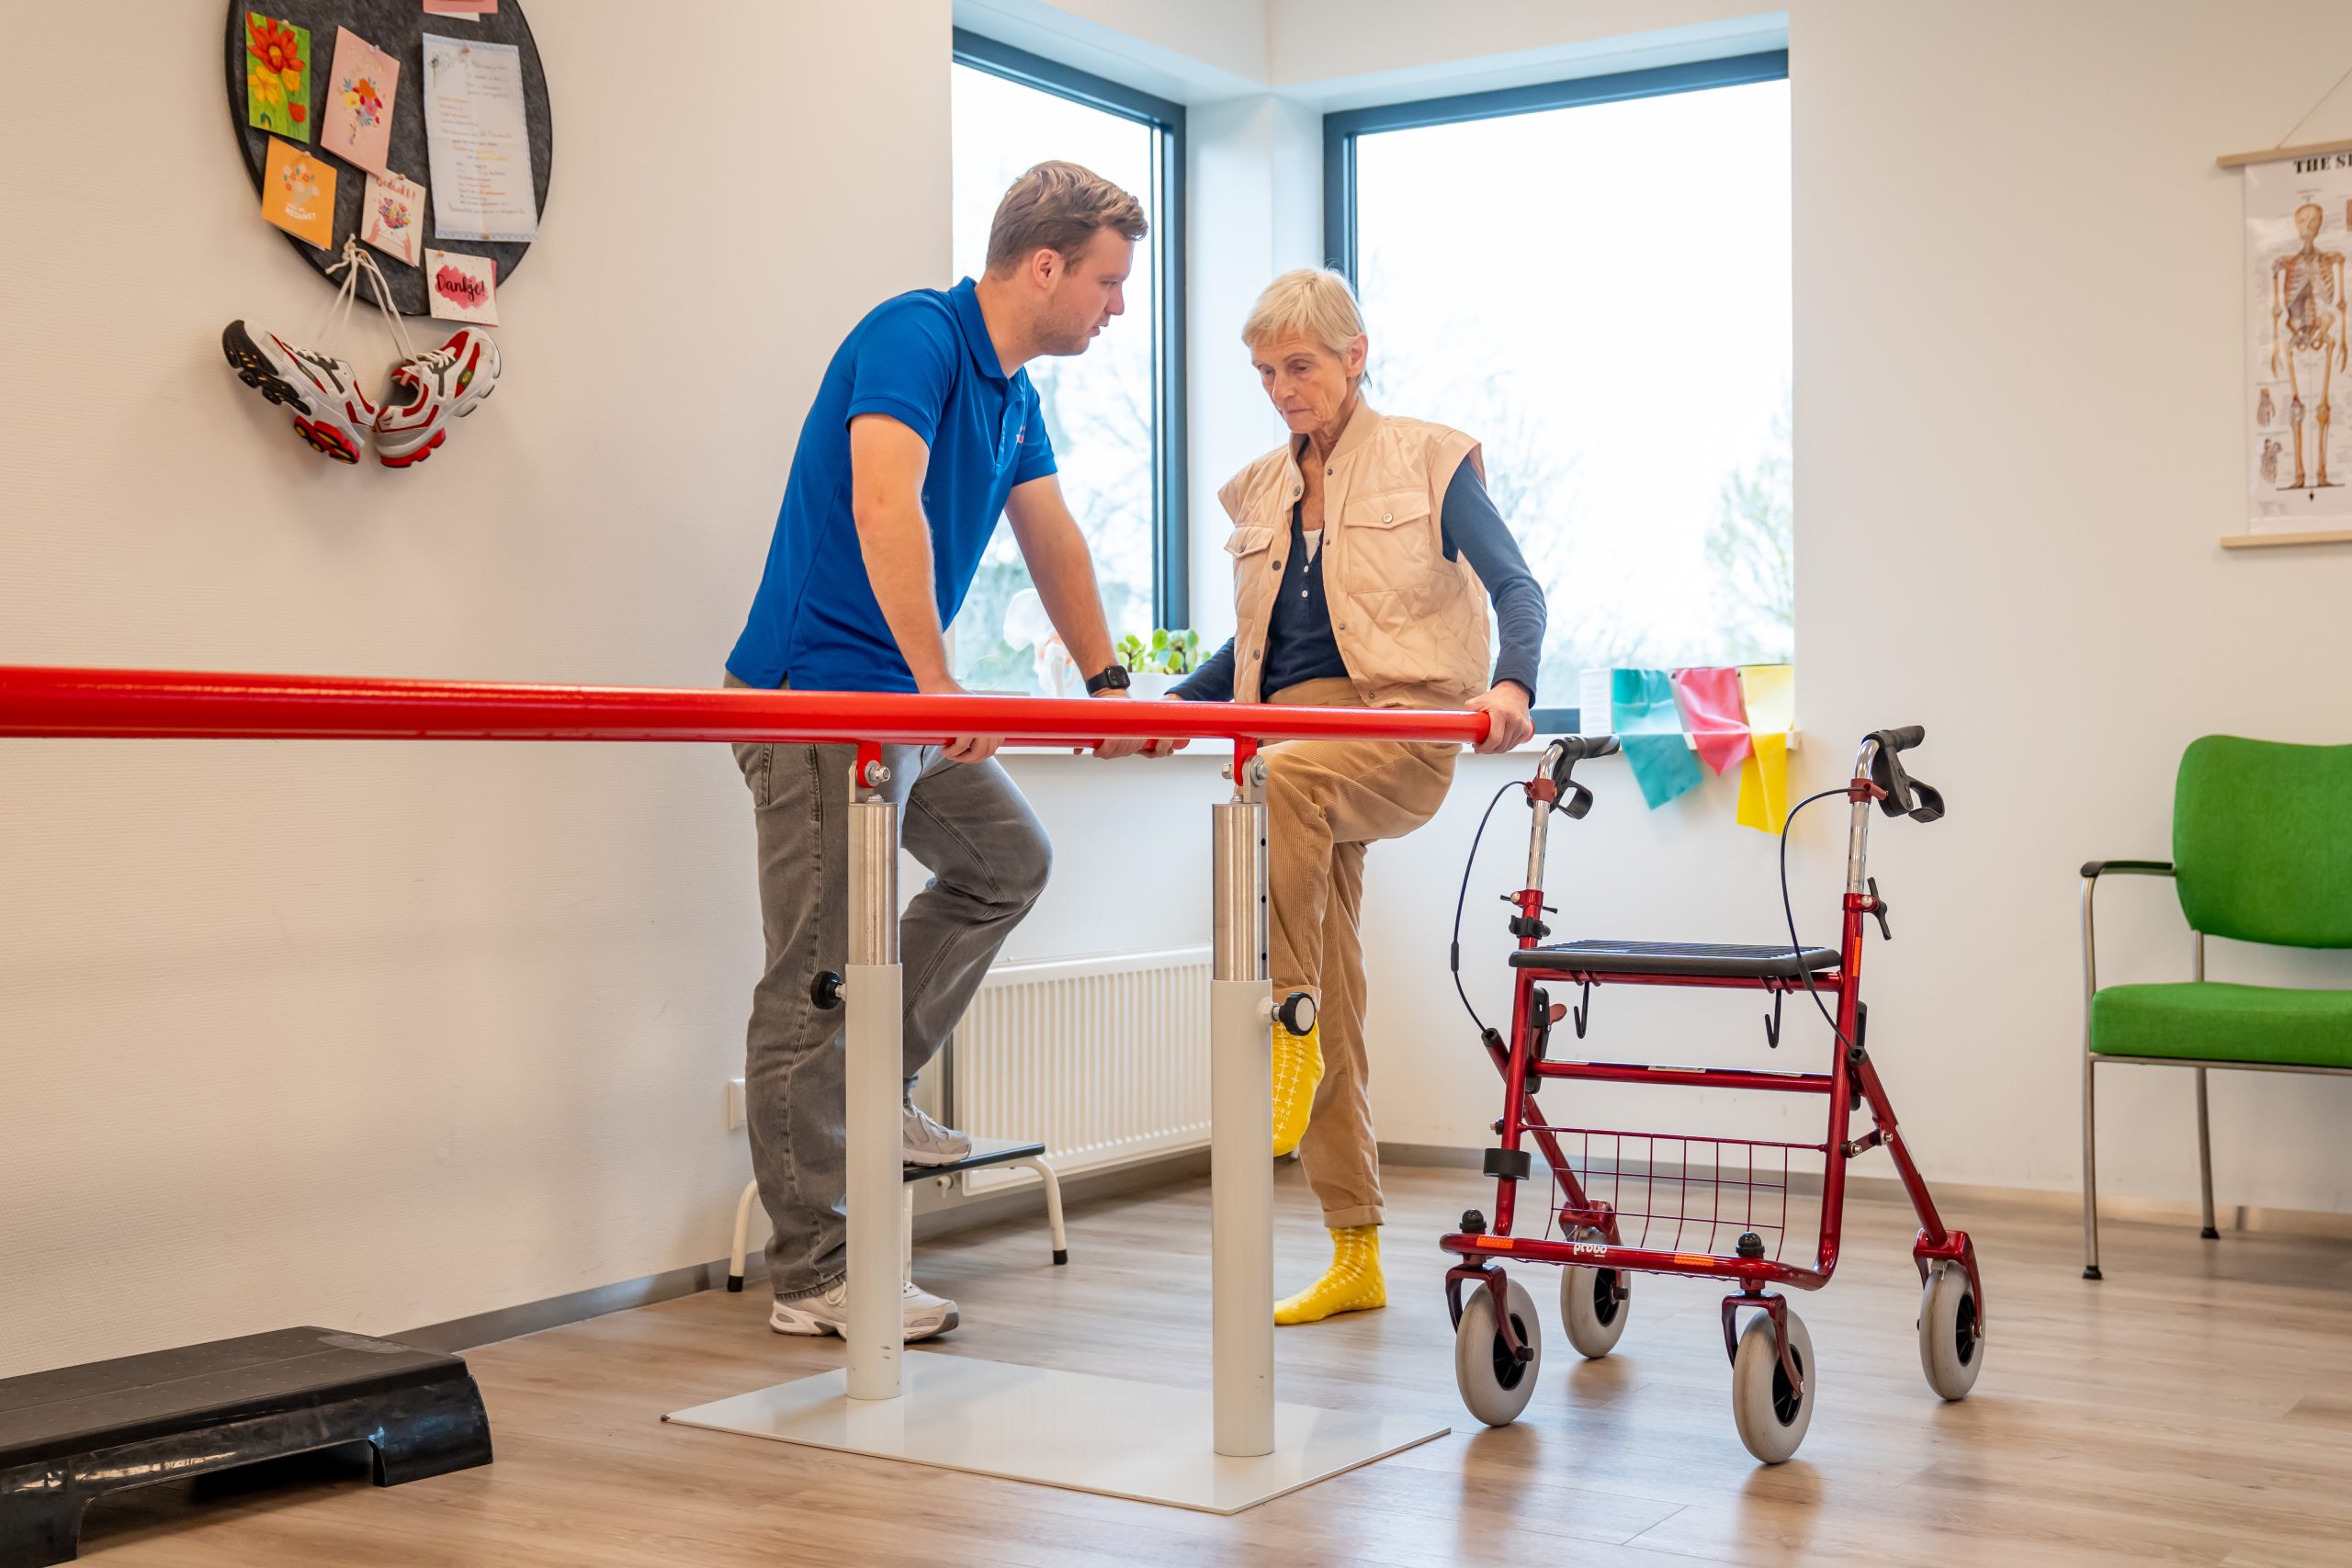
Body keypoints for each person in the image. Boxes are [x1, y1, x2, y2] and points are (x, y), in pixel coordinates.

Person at [724, 163, 1165, 1342]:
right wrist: (935, 682)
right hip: (813, 699)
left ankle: (874, 1079)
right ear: (1045, 267)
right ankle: (815, 1273)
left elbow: (1052, 534)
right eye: (1110, 284)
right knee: (816, 972)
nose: (1117, 308)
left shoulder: (1017, 392)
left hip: (894, 700)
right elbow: (885, 502)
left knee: (1005, 860)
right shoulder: (913, 337)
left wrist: (1109, 685)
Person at [1170, 268, 1546, 1324]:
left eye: (1299, 366)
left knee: (1284, 784)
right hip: (1287, 741)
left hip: (1392, 732)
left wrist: (1512, 682)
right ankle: (1356, 1248)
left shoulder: (1430, 457)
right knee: (1342, 993)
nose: (1283, 388)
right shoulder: (1259, 489)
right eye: (1265, 372)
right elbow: (1254, 646)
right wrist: (1166, 706)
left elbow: (1517, 585)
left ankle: (1280, 1017)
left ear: (1354, 353)